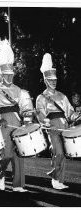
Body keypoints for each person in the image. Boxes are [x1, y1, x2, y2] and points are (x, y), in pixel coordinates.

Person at [0, 40, 33, 192]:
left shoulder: (19, 90)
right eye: (6, 75)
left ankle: (18, 185)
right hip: (4, 124)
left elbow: (25, 108)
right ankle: (1, 174)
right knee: (7, 153)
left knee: (19, 154)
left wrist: (27, 121)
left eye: (11, 75)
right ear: (1, 75)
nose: (9, 78)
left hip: (17, 123)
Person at [36, 53, 80, 190]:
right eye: (51, 79)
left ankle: (60, 180)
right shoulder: (41, 98)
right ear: (45, 80)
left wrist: (77, 116)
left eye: (55, 79)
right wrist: (47, 123)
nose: (54, 82)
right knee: (58, 152)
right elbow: (41, 115)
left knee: (64, 155)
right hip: (53, 127)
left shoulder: (62, 96)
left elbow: (70, 112)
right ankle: (54, 178)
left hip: (65, 126)